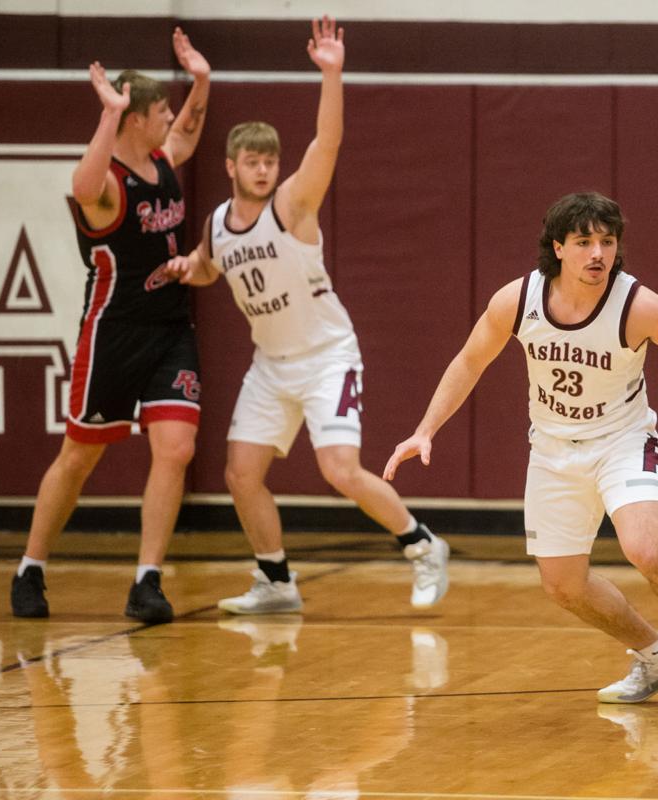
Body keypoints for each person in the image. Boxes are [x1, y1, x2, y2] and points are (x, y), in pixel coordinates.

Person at [384, 190, 658, 707]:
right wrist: (426, 429)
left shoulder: (638, 305)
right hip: (554, 449)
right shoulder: (517, 300)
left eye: (607, 242)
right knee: (563, 585)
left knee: (647, 549)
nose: (598, 254)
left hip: (625, 442)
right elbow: (470, 361)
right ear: (558, 247)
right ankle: (657, 655)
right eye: (584, 242)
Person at [165, 17, 448, 615]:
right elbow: (216, 265)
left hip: (327, 358)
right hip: (271, 364)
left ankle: (423, 546)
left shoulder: (292, 206)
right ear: (231, 166)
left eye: (269, 159)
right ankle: (275, 581)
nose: (263, 169)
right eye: (252, 161)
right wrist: (193, 268)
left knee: (340, 470)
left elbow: (327, 144)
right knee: (241, 473)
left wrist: (332, 75)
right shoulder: (217, 222)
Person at [9, 31, 212, 624]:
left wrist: (201, 80)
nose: (170, 119)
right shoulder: (106, 187)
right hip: (112, 334)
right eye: (161, 112)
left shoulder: (161, 161)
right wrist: (110, 113)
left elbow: (188, 133)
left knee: (176, 448)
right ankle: (30, 567)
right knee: (78, 460)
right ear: (134, 121)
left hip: (170, 328)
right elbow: (81, 187)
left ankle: (147, 580)